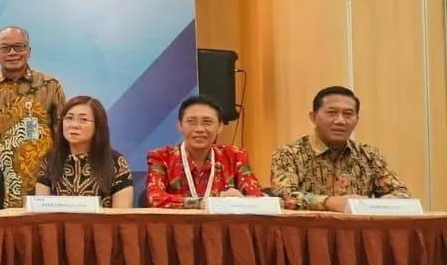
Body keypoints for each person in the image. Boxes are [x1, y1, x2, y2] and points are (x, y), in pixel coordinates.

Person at [0, 26, 66, 208]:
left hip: (42, 187)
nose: (12, 53)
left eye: (19, 47)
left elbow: (62, 138)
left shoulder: (50, 86)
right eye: (5, 48)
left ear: (28, 51)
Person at [269, 86, 410, 211]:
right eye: (332, 113)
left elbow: (401, 192)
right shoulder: (288, 154)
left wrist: (389, 201)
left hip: (358, 230)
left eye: (348, 114)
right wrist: (328, 202)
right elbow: (284, 196)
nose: (340, 121)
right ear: (313, 117)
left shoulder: (370, 155)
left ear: (357, 120)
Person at [145, 94, 263, 208]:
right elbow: (155, 198)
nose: (199, 129)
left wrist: (241, 200)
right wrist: (208, 202)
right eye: (191, 122)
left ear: (220, 126)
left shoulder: (235, 156)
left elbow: (257, 197)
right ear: (180, 125)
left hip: (222, 222)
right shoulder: (161, 157)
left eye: (207, 122)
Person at [36, 96, 135, 209]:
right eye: (69, 118)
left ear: (98, 125)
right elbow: (40, 211)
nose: (74, 125)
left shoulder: (116, 163)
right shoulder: (49, 161)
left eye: (83, 120)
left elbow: (121, 215)